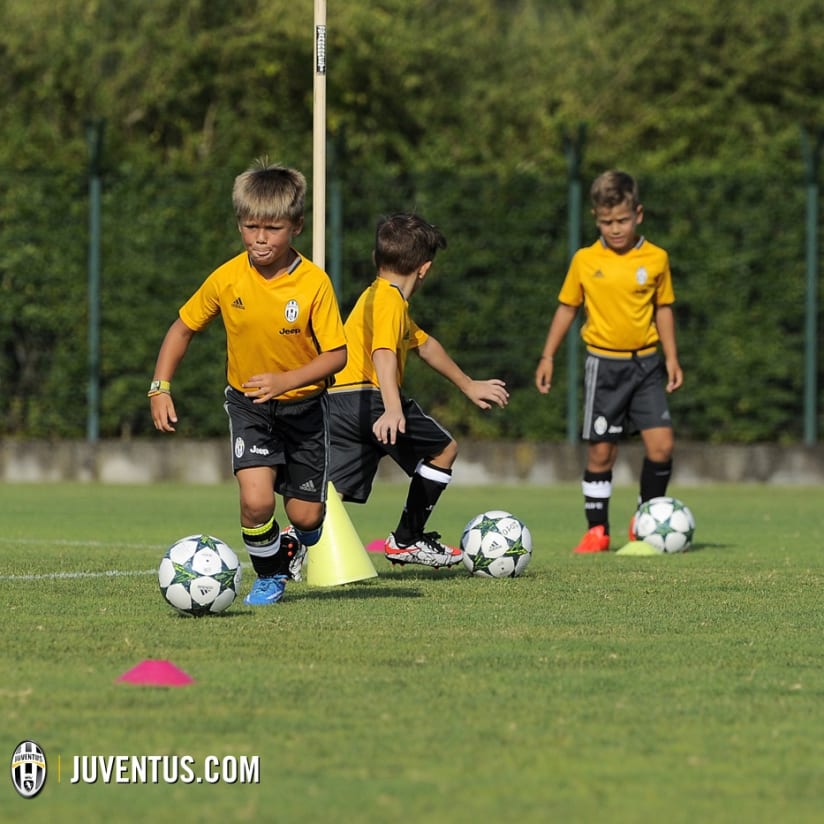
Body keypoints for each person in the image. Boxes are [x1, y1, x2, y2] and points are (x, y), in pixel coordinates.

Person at [149, 160, 347, 603]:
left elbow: (338, 355)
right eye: (250, 226)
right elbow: (181, 329)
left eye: (272, 228)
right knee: (256, 503)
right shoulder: (226, 277)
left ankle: (296, 542)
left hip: (306, 411)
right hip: (250, 407)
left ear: (296, 226)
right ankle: (270, 573)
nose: (260, 238)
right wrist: (159, 387)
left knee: (308, 518)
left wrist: (287, 380)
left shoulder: (314, 283)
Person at [328, 213, 509, 567]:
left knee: (335, 492)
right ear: (424, 269)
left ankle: (290, 545)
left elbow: (425, 346)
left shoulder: (375, 296)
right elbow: (382, 352)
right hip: (373, 395)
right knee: (444, 449)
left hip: (340, 401)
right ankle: (407, 539)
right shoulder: (390, 301)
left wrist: (468, 384)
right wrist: (393, 408)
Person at [535, 170, 683, 554]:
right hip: (604, 366)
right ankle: (597, 530)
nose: (615, 229)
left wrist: (672, 357)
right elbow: (567, 307)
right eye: (606, 222)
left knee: (662, 447)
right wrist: (547, 355)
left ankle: (645, 519)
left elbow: (663, 308)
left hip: (647, 365)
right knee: (602, 451)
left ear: (639, 214)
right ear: (596, 218)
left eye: (622, 220)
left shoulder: (656, 258)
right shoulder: (585, 260)